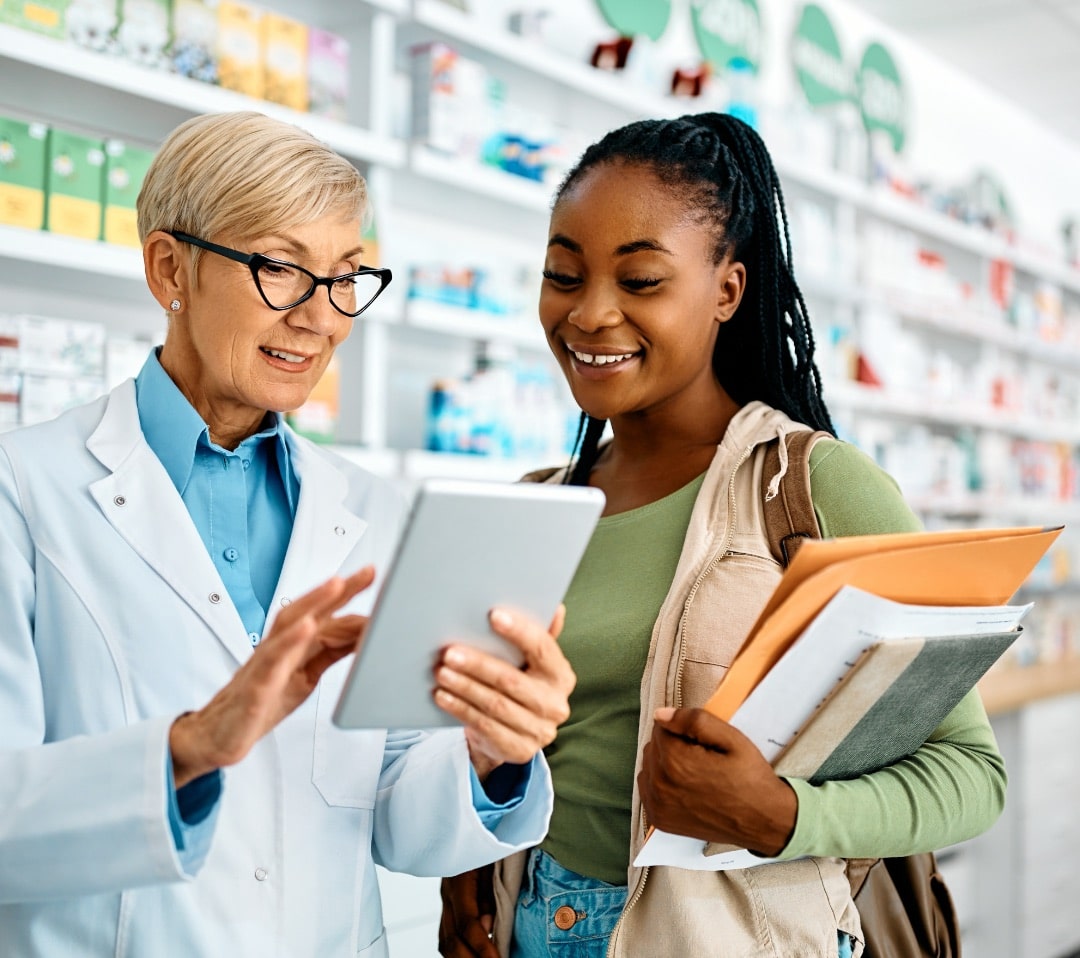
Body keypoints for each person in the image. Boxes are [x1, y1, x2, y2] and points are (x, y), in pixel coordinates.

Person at [0, 111, 576, 957]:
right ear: (171, 268)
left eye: (346, 278)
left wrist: (491, 757)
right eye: (281, 268)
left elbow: (400, 823)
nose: (322, 318)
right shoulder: (26, 489)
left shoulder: (373, 514)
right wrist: (190, 748)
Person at [437, 113, 1007, 958]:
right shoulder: (535, 509)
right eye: (564, 274)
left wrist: (781, 815)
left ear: (728, 291)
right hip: (532, 922)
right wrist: (465, 869)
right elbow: (491, 745)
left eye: (640, 282)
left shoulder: (815, 489)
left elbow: (971, 773)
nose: (590, 314)